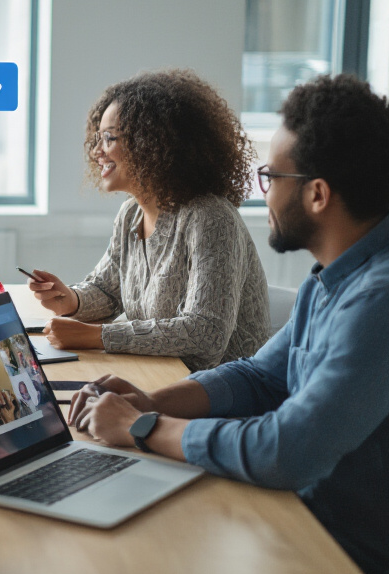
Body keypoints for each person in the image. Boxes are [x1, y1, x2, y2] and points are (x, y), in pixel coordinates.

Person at [68, 75, 389, 574]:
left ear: (317, 195)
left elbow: (286, 450)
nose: (264, 193)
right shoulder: (336, 276)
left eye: (272, 177)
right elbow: (260, 377)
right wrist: (151, 402)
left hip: (350, 559)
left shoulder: (386, 296)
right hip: (297, 516)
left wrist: (143, 428)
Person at [26, 70, 269, 371]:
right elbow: (107, 290)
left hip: (224, 397)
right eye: (96, 138)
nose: (96, 151)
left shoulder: (211, 218)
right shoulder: (131, 213)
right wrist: (71, 300)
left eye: (108, 138)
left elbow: (205, 335)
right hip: (163, 377)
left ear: (151, 142)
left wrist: (98, 336)